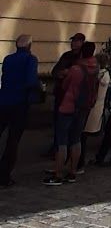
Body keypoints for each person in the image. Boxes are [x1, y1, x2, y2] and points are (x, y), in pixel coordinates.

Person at [46, 40, 99, 185]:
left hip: (69, 106)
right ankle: (72, 172)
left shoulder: (76, 69)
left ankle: (57, 174)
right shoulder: (95, 67)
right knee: (76, 140)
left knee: (62, 141)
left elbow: (65, 85)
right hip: (83, 107)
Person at [0, 33, 41, 187]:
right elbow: (31, 81)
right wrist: (38, 87)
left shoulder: (8, 59)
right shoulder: (31, 59)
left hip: (3, 100)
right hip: (19, 104)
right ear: (29, 46)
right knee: (13, 140)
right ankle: (4, 175)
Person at [78, 49, 111, 171]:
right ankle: (79, 162)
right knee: (83, 136)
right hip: (96, 107)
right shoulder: (105, 74)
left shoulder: (96, 74)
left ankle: (79, 163)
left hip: (90, 107)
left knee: (81, 136)